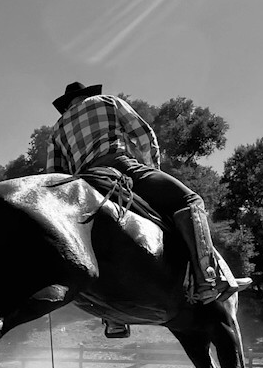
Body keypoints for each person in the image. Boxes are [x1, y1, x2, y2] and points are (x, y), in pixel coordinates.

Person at [46, 81, 249, 311]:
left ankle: (112, 318)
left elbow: (55, 174)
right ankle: (208, 277)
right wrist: (152, 169)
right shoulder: (107, 101)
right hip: (120, 166)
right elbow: (144, 135)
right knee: (191, 201)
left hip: (82, 185)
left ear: (67, 104)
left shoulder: (57, 128)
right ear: (86, 95)